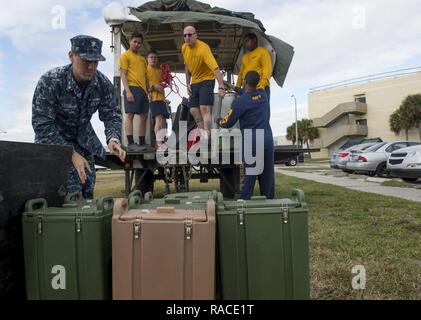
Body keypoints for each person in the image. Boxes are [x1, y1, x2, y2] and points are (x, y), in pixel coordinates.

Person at [32, 35, 126, 199]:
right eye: (85, 60)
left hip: (83, 141)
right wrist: (71, 154)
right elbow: (42, 125)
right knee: (65, 195)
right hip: (53, 143)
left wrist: (113, 138)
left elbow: (112, 115)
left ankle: (84, 223)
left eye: (95, 62)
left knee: (87, 188)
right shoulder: (51, 81)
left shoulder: (102, 84)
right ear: (71, 56)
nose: (91, 67)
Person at [217, 71, 274, 200]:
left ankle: (244, 203)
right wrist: (231, 86)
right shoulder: (263, 94)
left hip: (252, 141)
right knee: (267, 175)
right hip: (267, 139)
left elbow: (228, 122)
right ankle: (269, 202)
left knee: (250, 175)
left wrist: (218, 120)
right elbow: (249, 95)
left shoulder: (240, 102)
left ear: (245, 82)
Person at [182, 26, 226, 142]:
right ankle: (204, 136)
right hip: (195, 81)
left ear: (196, 35)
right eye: (185, 35)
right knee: (193, 110)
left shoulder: (203, 48)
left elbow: (215, 68)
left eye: (190, 35)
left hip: (207, 79)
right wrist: (187, 83)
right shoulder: (184, 48)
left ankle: (208, 137)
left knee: (204, 108)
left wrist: (221, 86)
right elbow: (187, 66)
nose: (187, 37)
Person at [119, 32, 153, 151]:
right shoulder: (125, 56)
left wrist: (148, 90)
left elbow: (146, 76)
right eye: (135, 42)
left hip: (143, 91)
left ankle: (142, 143)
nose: (137, 44)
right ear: (130, 41)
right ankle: (131, 143)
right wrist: (128, 91)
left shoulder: (143, 59)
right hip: (132, 88)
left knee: (144, 116)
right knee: (130, 115)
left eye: (139, 43)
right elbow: (123, 74)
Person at [235, 33, 272, 104]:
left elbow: (267, 69)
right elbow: (241, 74)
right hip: (247, 90)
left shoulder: (262, 51)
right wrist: (238, 89)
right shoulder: (245, 57)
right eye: (244, 42)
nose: (245, 44)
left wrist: (261, 86)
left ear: (254, 40)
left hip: (260, 88)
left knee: (260, 112)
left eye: (247, 41)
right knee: (248, 112)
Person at [146, 50, 170, 147]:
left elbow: (165, 82)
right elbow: (144, 84)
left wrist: (168, 79)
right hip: (153, 99)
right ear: (147, 59)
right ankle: (159, 143)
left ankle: (161, 141)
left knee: (164, 121)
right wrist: (153, 87)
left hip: (162, 99)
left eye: (155, 57)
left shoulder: (160, 71)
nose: (153, 59)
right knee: (159, 119)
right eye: (151, 57)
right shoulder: (145, 70)